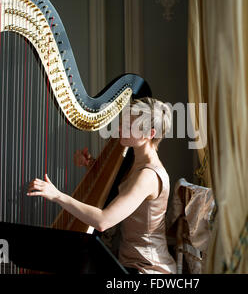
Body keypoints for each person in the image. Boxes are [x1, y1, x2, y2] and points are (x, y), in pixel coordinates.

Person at [27, 97, 177, 274]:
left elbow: (103, 221)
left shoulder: (148, 176)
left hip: (147, 268)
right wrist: (90, 165)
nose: (120, 129)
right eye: (122, 123)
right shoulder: (137, 161)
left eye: (129, 126)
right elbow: (124, 187)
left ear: (150, 134)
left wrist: (58, 195)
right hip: (128, 261)